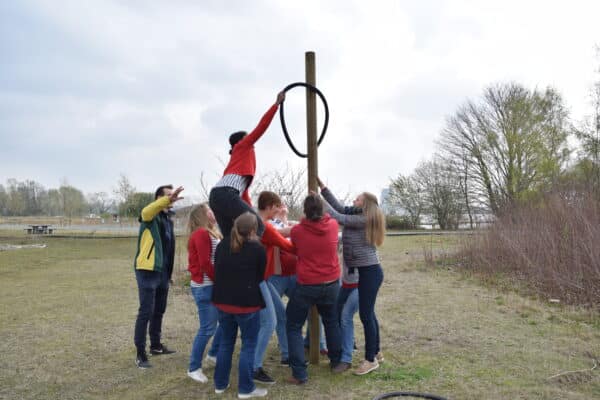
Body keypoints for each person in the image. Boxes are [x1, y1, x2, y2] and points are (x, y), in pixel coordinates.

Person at [317, 178, 386, 375]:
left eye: (357, 199)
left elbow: (338, 217)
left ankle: (370, 359)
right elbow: (339, 208)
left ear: (365, 205)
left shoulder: (364, 219)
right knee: (368, 313)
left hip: (370, 272)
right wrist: (323, 188)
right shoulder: (357, 212)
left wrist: (319, 203)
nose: (354, 201)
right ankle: (376, 351)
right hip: (363, 272)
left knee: (365, 315)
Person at [209, 91, 285, 239]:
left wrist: (251, 210)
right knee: (258, 225)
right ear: (242, 140)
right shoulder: (242, 146)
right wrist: (276, 105)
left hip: (216, 197)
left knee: (231, 237)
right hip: (226, 194)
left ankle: (229, 254)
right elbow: (261, 127)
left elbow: (243, 196)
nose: (252, 143)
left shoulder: (234, 165)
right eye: (248, 138)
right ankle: (255, 251)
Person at [285, 194, 343, 384]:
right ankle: (336, 362)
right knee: (331, 321)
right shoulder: (333, 225)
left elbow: (295, 247)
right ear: (323, 209)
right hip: (331, 283)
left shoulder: (298, 231)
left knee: (293, 326)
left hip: (307, 285)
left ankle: (299, 373)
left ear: (305, 211)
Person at [211, 212, 268, 398]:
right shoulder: (258, 249)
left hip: (223, 302)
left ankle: (220, 384)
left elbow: (217, 269)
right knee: (248, 345)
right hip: (247, 305)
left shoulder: (222, 245)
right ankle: (245, 389)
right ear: (253, 230)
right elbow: (260, 276)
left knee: (226, 343)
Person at [133, 185, 183, 369]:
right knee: (146, 311)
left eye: (173, 195)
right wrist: (167, 200)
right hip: (147, 270)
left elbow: (168, 250)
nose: (173, 197)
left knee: (159, 310)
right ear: (158, 198)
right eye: (168, 195)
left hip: (162, 273)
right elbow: (146, 211)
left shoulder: (168, 219)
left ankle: (155, 346)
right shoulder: (150, 216)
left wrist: (169, 273)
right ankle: (140, 353)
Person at [253, 191, 295, 383]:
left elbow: (282, 233)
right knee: (269, 322)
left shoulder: (257, 222)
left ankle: (285, 356)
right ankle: (254, 368)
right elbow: (288, 245)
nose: (279, 209)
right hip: (257, 280)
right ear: (270, 206)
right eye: (277, 206)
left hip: (262, 279)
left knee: (279, 316)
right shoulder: (265, 227)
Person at [186, 203, 222, 383]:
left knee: (225, 322)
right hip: (206, 286)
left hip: (212, 285)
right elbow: (205, 263)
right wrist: (221, 281)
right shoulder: (201, 233)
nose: (213, 211)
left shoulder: (211, 232)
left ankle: (213, 355)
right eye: (209, 210)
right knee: (207, 328)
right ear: (202, 214)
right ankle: (193, 368)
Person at [333, 259, 359, 372]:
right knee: (336, 313)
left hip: (361, 283)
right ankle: (348, 345)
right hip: (346, 284)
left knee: (346, 316)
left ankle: (346, 359)